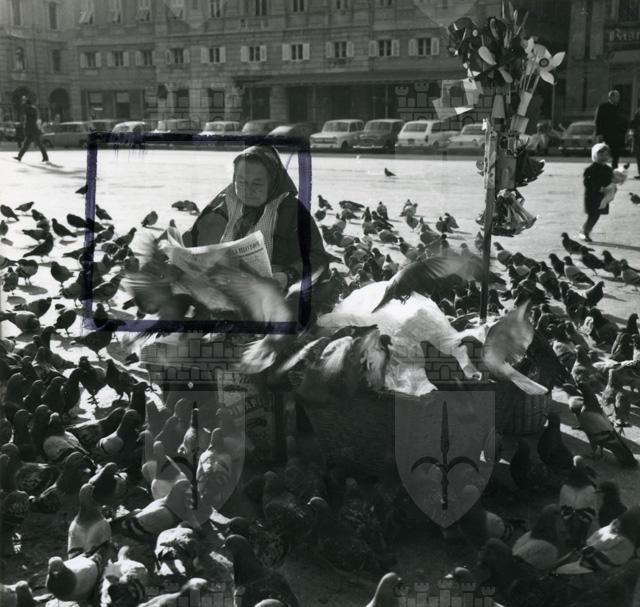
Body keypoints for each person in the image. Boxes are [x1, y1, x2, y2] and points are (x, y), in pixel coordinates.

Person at [184, 145, 329, 290]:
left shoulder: (292, 211)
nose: (248, 190)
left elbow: (318, 257)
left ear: (273, 183)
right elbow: (191, 240)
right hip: (219, 287)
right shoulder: (222, 203)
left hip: (271, 293)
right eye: (241, 182)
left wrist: (288, 276)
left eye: (257, 184)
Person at [581, 143, 613, 242]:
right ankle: (585, 232)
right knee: (593, 215)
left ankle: (585, 231)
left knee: (596, 215)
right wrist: (598, 188)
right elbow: (587, 183)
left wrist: (616, 180)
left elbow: (610, 181)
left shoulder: (608, 169)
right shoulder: (590, 169)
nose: (604, 157)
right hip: (592, 196)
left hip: (602, 197)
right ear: (595, 155)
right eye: (601, 155)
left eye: (606, 155)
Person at [594, 90, 627, 169]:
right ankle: (601, 168)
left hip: (618, 135)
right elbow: (598, 121)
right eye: (616, 96)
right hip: (607, 135)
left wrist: (624, 131)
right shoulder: (603, 107)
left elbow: (624, 120)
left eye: (618, 96)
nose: (618, 98)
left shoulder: (621, 107)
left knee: (616, 154)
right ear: (611, 97)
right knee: (604, 153)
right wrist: (599, 133)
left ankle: (614, 168)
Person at [14, 96, 49, 163]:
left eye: (25, 104)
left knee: (39, 144)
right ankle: (19, 157)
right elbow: (25, 112)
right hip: (30, 130)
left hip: (34, 130)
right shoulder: (29, 109)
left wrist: (24, 104)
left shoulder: (32, 109)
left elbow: (28, 111)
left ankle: (45, 157)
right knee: (25, 145)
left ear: (28, 104)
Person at [630, 105, 640, 179]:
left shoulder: (638, 112)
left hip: (638, 136)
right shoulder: (638, 112)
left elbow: (633, 124)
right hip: (638, 136)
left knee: (639, 156)